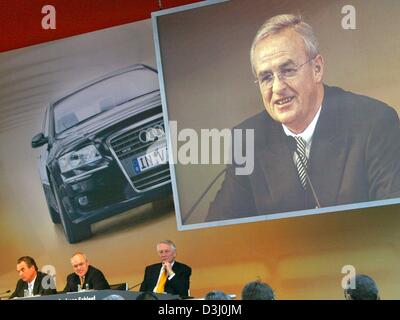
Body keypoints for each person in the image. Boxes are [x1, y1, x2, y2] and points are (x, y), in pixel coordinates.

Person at [207, 13, 400, 221]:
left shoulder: (375, 122)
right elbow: (219, 229)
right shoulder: (247, 141)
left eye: (288, 70)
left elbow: (392, 222)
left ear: (317, 69)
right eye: (266, 77)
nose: (277, 87)